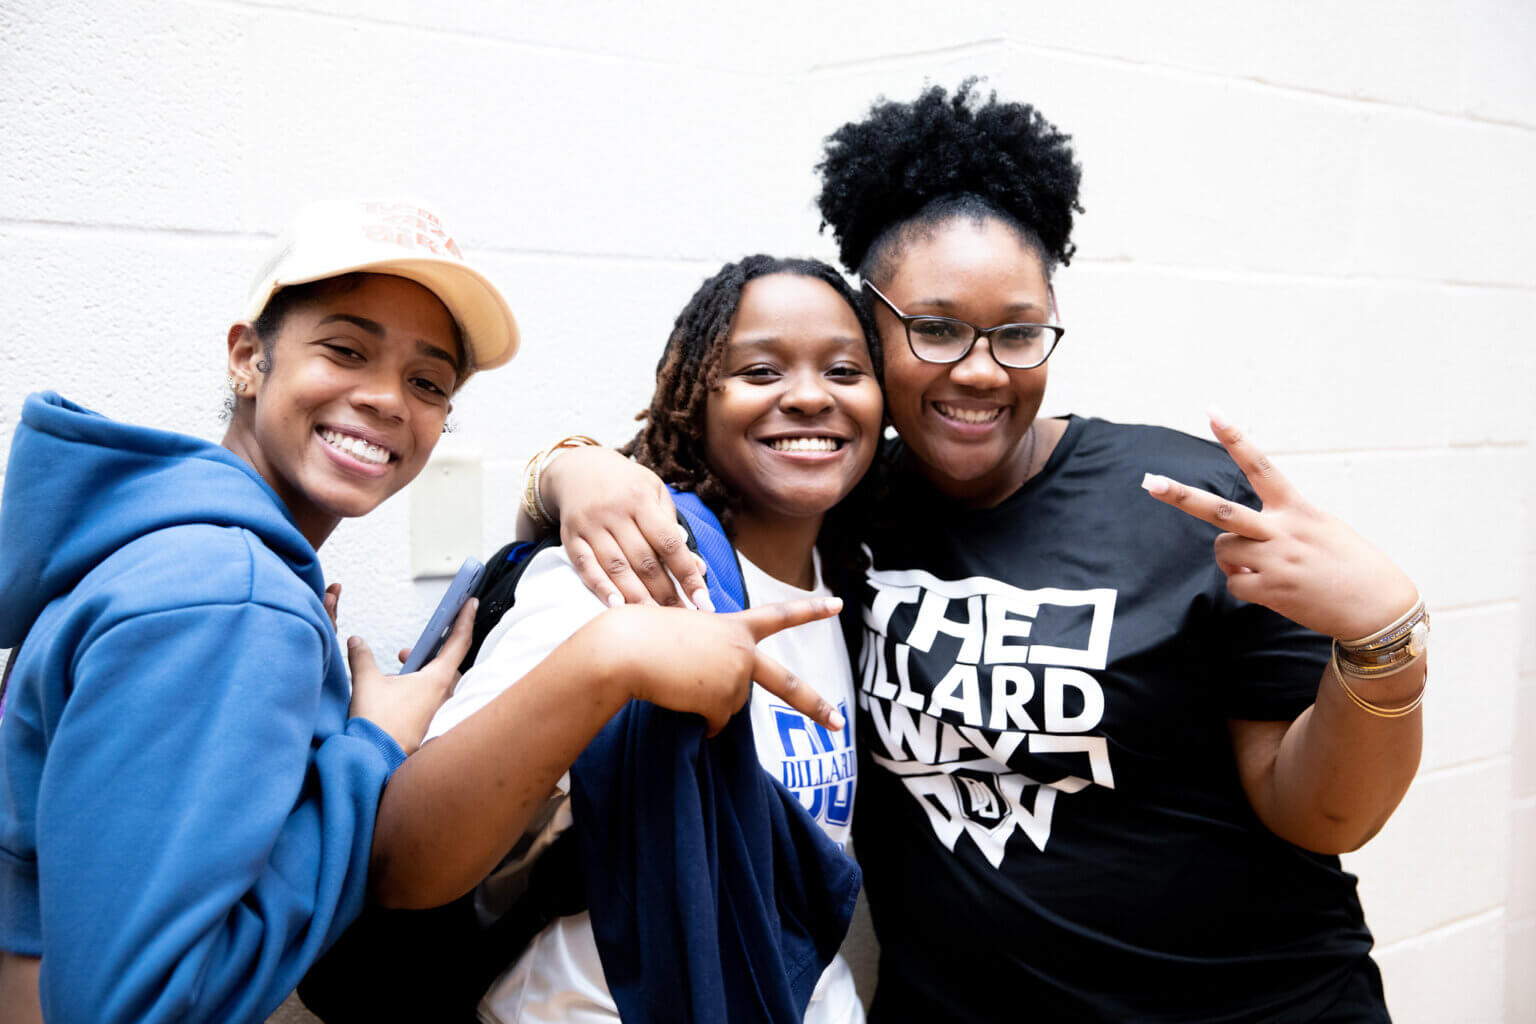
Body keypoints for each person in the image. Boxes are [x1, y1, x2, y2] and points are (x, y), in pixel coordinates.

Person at [534, 83, 1427, 1022]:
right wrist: (570, 469)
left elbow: (1324, 814)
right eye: (936, 327)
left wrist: (1381, 640)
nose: (979, 368)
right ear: (868, 327)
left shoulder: (1183, 500)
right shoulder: (837, 500)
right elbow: (670, 480)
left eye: (1017, 333)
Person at [0, 200, 521, 1024]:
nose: (388, 400)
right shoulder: (229, 592)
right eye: (346, 349)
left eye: (428, 382)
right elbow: (138, 1007)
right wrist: (370, 746)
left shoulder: (182, 546)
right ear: (249, 358)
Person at [362, 255, 883, 1023]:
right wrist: (612, 654)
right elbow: (402, 862)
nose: (808, 396)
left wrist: (558, 464)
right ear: (694, 394)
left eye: (844, 369)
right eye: (760, 369)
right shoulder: (623, 571)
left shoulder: (857, 577)